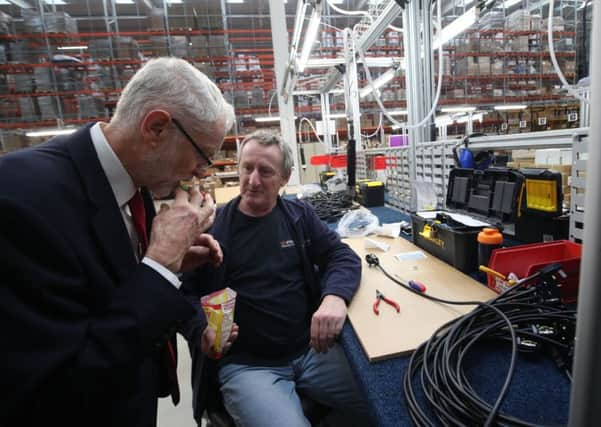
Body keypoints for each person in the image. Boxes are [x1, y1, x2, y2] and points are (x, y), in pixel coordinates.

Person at [0, 57, 236, 427]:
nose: (201, 173)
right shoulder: (21, 197)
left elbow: (102, 288)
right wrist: (158, 266)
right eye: (202, 157)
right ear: (156, 127)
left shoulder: (133, 182)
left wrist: (163, 263)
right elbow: (61, 381)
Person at [181, 130, 373, 427]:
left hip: (311, 351)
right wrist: (199, 328)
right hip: (248, 367)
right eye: (247, 168)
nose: (253, 180)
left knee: (385, 403)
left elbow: (341, 256)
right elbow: (185, 292)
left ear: (285, 177)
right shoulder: (214, 228)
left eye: (266, 171)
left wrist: (334, 297)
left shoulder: (298, 216)